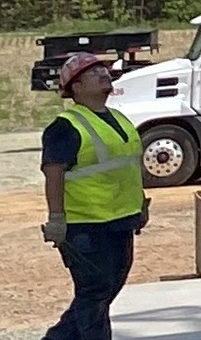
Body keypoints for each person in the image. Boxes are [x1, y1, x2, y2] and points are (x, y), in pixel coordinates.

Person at [41, 52, 147, 340]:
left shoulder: (118, 119)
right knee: (94, 293)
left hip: (120, 221)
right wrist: (57, 219)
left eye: (103, 69)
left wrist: (140, 203)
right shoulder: (65, 127)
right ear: (76, 87)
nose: (103, 73)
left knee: (107, 289)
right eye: (94, 71)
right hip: (85, 226)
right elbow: (54, 174)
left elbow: (128, 165)